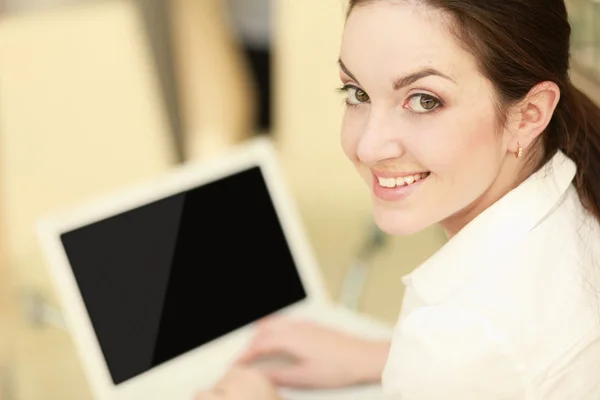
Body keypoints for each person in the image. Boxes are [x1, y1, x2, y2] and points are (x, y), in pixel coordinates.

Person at [195, 0, 600, 398]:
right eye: (357, 93)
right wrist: (381, 355)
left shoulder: (455, 344)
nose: (369, 147)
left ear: (529, 114)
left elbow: (477, 352)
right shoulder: (581, 201)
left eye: (424, 100)